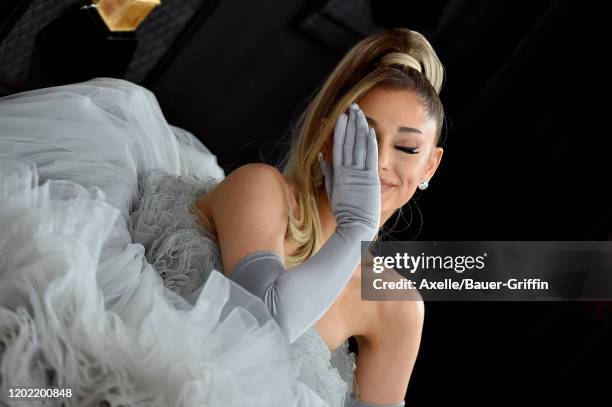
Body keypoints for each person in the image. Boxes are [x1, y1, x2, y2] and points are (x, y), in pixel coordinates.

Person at [0, 27, 444, 407]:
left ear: (430, 166)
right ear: (328, 139)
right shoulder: (262, 190)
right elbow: (263, 322)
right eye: (361, 138)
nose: (379, 163)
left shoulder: (396, 309)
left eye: (406, 148)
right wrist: (357, 229)